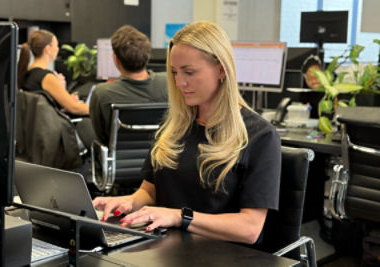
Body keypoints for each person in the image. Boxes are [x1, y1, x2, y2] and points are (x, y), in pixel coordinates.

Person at [92, 21, 281, 245]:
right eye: (174, 72)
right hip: (166, 248)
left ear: (221, 70)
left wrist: (178, 217)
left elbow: (249, 229)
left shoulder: (260, 136)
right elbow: (149, 192)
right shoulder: (173, 128)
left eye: (189, 72)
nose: (180, 83)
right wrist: (130, 202)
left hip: (221, 256)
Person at [89, 25, 168, 145]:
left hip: (121, 160)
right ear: (148, 56)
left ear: (116, 60)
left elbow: (103, 136)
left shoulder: (102, 93)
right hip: (162, 157)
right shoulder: (169, 83)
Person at [17, 29, 89, 115]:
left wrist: (65, 100)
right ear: (47, 49)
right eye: (56, 46)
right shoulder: (47, 77)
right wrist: (96, 108)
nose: (58, 49)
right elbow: (75, 108)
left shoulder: (28, 72)